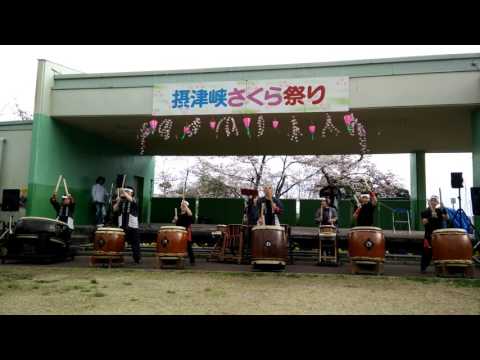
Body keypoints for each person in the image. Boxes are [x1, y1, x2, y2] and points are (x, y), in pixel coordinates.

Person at [420, 195, 448, 273]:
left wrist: (444, 208)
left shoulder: (439, 211)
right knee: (427, 252)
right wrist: (431, 217)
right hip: (429, 235)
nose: (433, 202)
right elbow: (424, 222)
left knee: (440, 251)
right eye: (432, 200)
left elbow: (446, 218)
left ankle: (441, 268)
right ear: (429, 202)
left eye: (435, 200)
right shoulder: (425, 212)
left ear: (437, 202)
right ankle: (423, 268)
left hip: (438, 235)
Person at [113, 186, 141, 264]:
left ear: (132, 193)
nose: (125, 192)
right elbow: (114, 209)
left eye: (127, 191)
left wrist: (123, 191)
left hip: (132, 225)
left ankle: (137, 259)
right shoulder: (121, 201)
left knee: (135, 243)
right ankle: (117, 258)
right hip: (122, 225)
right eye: (125, 191)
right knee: (119, 242)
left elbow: (131, 199)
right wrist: (118, 202)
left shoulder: (135, 199)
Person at [173, 199, 195, 265]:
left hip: (186, 232)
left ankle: (192, 261)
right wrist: (174, 219)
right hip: (178, 232)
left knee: (188, 247)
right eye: (181, 206)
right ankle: (176, 260)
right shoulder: (178, 215)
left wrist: (185, 205)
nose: (182, 207)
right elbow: (174, 222)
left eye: (183, 206)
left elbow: (190, 213)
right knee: (177, 246)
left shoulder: (188, 214)